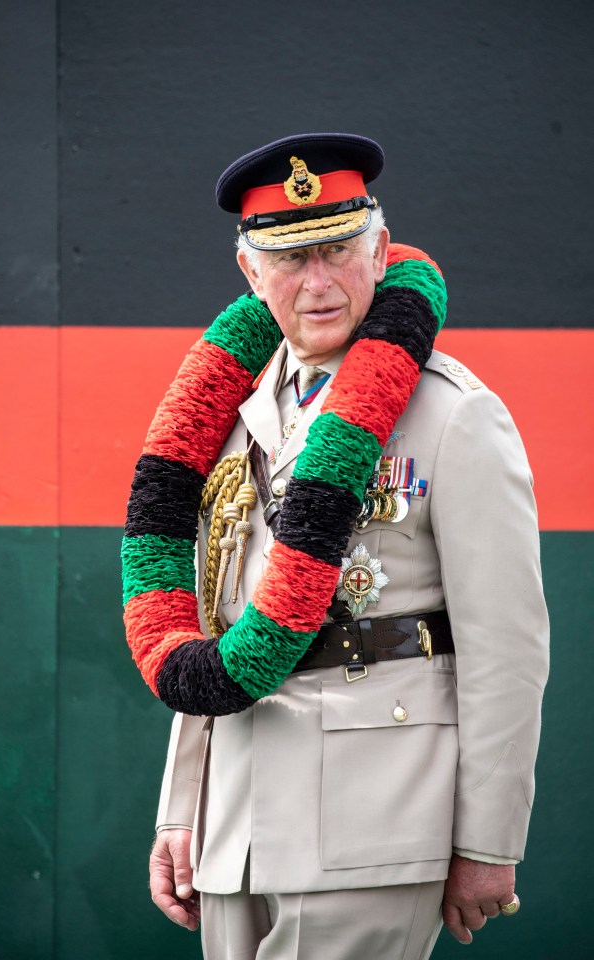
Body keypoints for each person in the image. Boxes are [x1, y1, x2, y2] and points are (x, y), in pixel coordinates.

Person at [122, 133, 549, 960]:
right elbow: (211, 617)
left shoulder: (453, 414)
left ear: (380, 252)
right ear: (250, 275)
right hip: (234, 829)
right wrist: (183, 810)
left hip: (375, 820)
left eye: (337, 252)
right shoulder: (230, 412)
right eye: (288, 260)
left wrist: (489, 841)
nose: (316, 283)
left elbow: (507, 648)